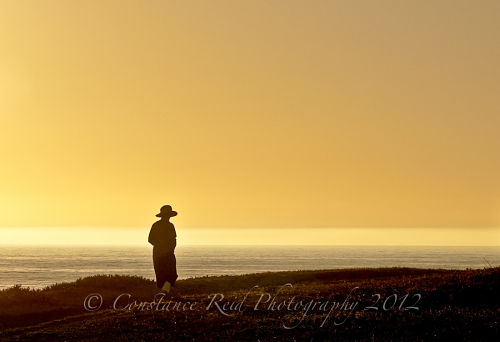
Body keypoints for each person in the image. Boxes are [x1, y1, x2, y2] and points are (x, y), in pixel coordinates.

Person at [148, 205, 178, 294]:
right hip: (161, 253)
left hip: (166, 252)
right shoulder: (157, 225)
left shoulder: (170, 225)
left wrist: (170, 248)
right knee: (162, 274)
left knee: (171, 274)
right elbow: (150, 239)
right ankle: (163, 293)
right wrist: (162, 247)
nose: (168, 217)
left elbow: (174, 239)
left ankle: (165, 292)